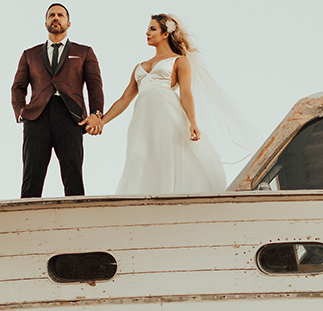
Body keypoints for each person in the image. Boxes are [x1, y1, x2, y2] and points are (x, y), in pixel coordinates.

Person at [97, 13, 251, 195]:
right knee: (137, 157)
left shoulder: (180, 61)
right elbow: (124, 99)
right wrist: (102, 121)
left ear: (165, 34)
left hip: (167, 114)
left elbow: (186, 93)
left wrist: (193, 122)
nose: (147, 32)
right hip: (142, 119)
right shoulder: (139, 67)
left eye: (152, 29)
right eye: (147, 29)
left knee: (167, 156)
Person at [11, 3, 104, 197]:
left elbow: (94, 86)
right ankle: (27, 220)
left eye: (60, 15)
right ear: (45, 22)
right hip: (37, 117)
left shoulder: (84, 52)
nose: (56, 17)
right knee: (31, 174)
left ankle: (76, 220)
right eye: (51, 15)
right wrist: (21, 111)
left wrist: (97, 114)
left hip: (71, 117)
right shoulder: (30, 54)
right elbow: (18, 87)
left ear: (68, 23)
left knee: (73, 174)